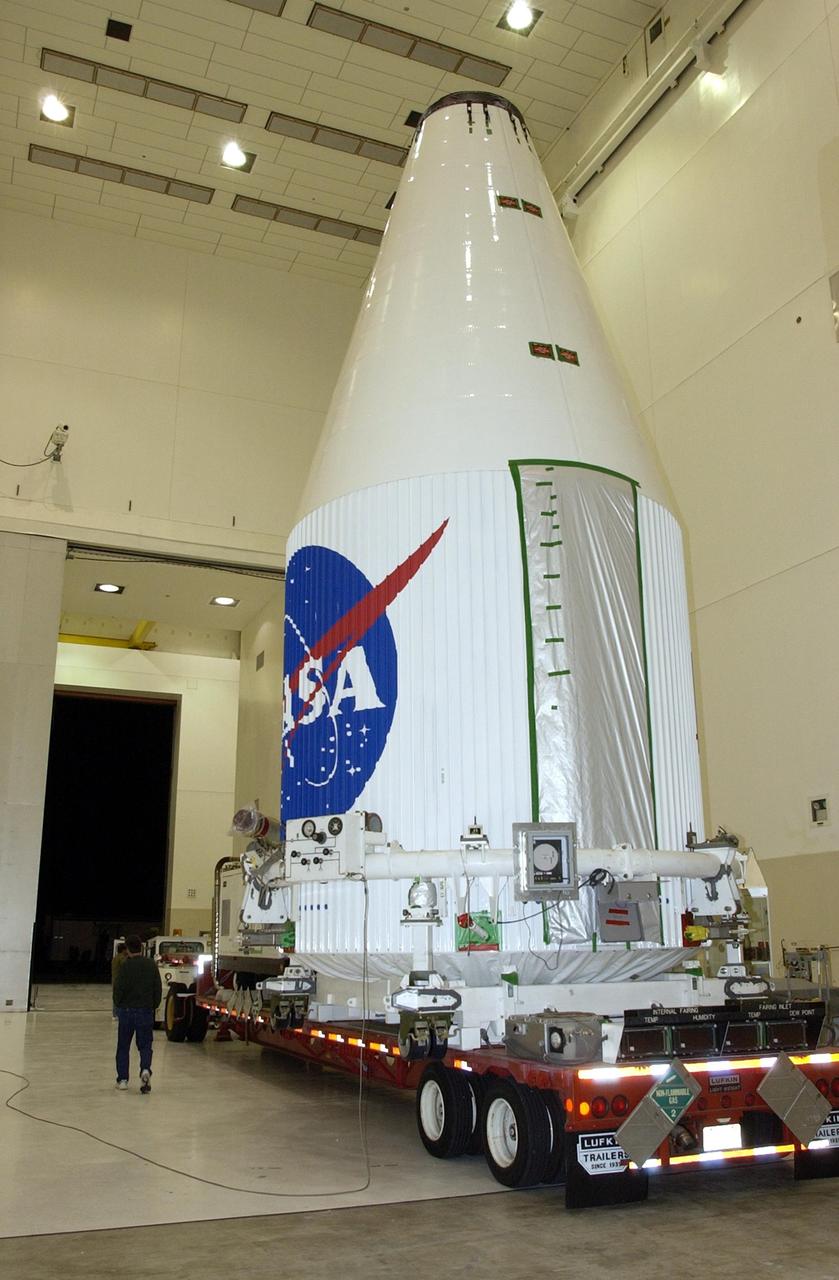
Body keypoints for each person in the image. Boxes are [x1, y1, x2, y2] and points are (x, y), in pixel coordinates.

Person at [112, 935, 162, 1094]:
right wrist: (153, 1005)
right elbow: (157, 988)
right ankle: (145, 1069)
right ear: (142, 947)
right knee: (145, 1045)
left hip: (127, 1011)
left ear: (127, 949)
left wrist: (118, 1004)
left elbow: (118, 988)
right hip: (145, 1011)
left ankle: (123, 1080)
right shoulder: (151, 965)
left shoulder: (125, 966)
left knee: (123, 1046)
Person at [110, 941, 127, 1018]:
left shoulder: (115, 958)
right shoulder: (122, 958)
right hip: (120, 982)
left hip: (114, 980)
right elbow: (126, 967)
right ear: (123, 950)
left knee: (116, 998)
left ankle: (115, 1014)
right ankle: (117, 1014)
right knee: (120, 998)